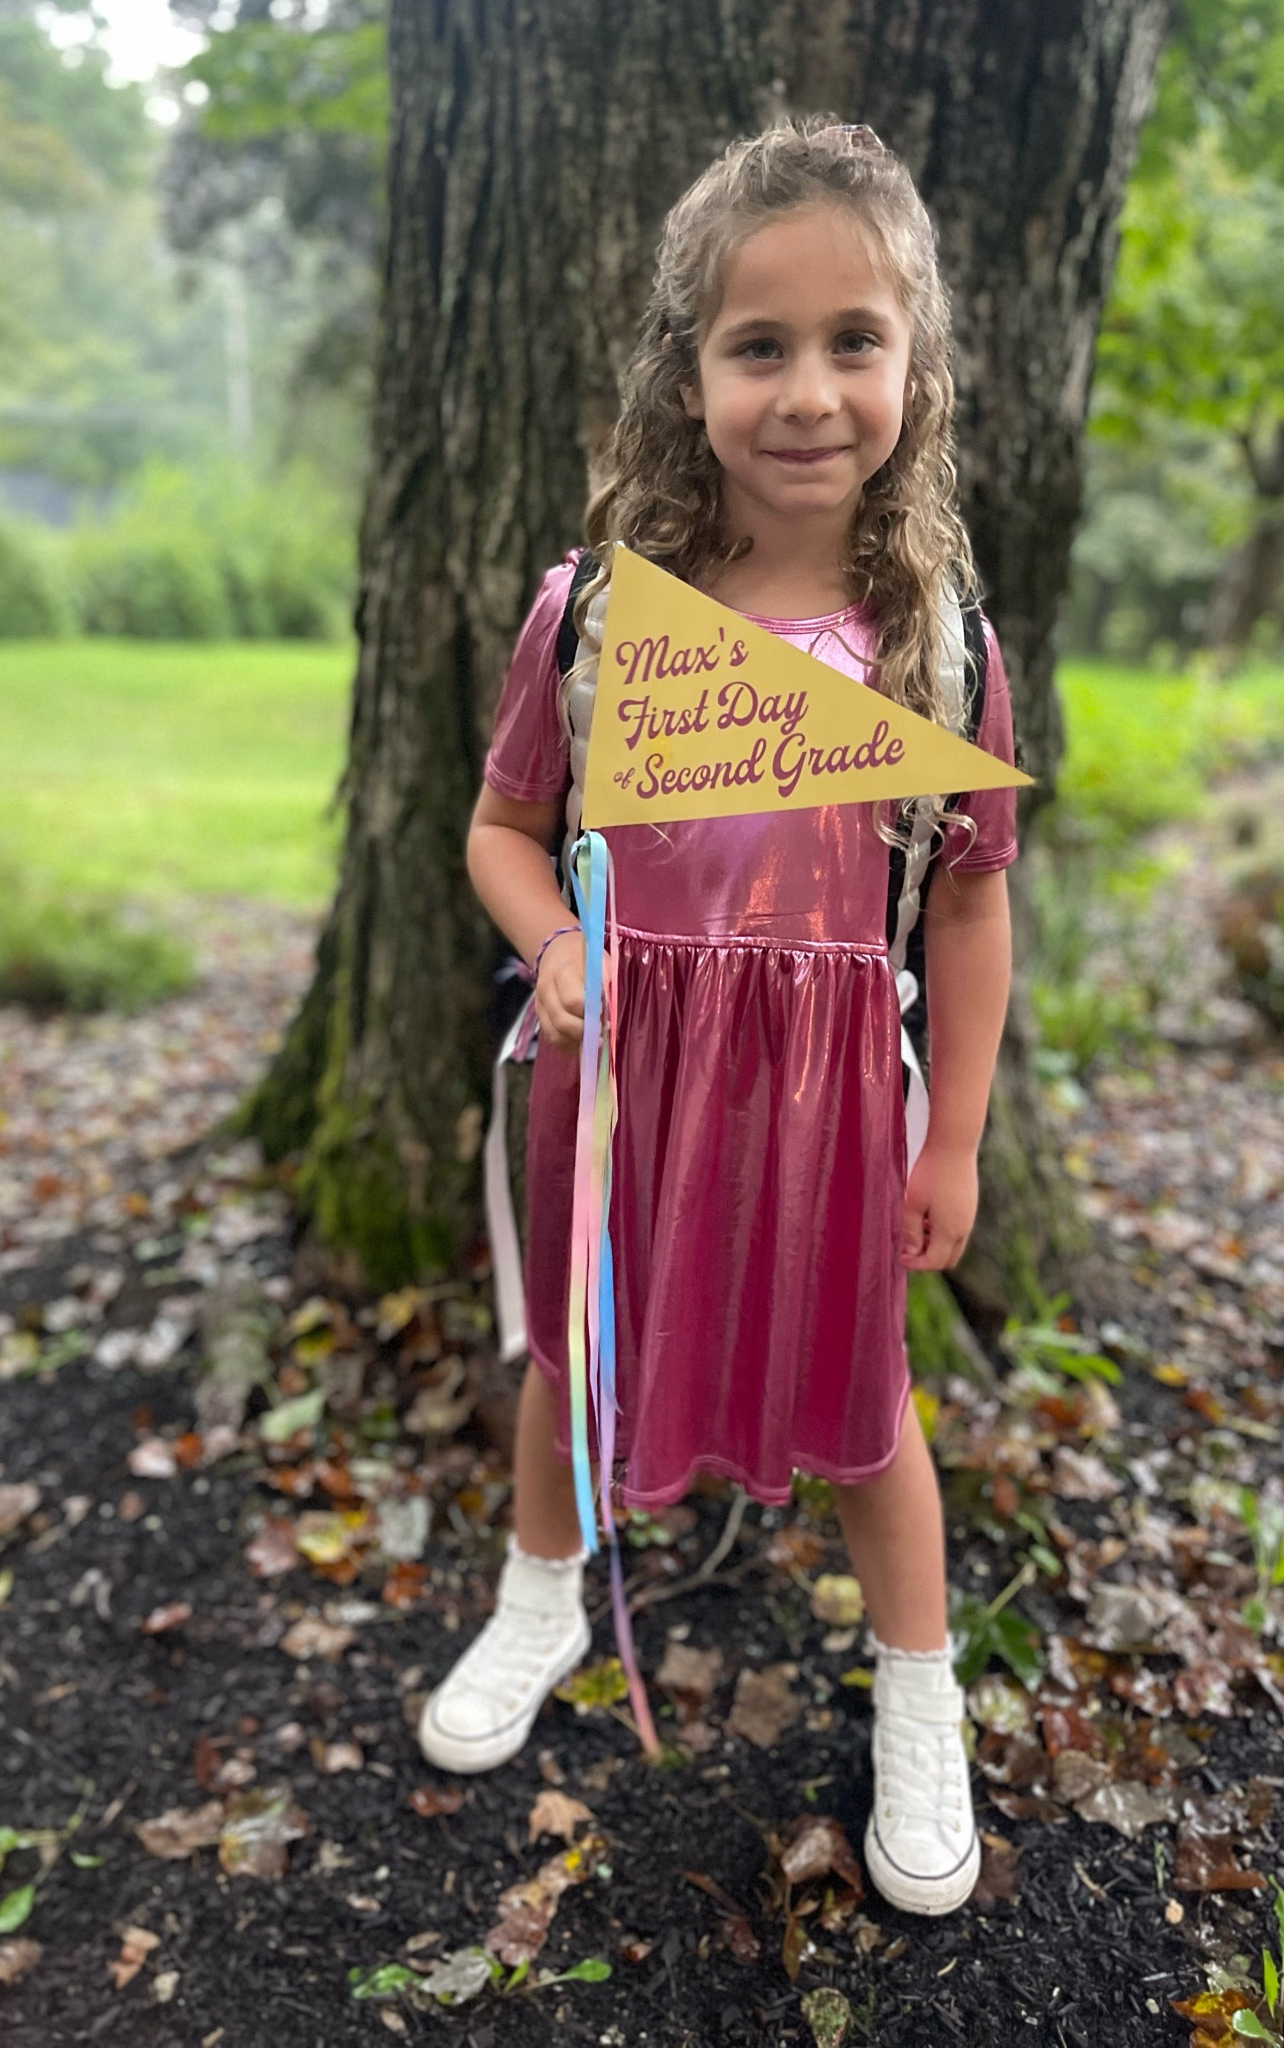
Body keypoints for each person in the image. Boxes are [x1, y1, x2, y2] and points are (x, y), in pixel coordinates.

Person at [419, 118, 1017, 1919]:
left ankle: (921, 1694)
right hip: (618, 1090)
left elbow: (975, 901)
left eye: (856, 340)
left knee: (864, 1402)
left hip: (833, 1099)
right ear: (691, 376)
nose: (810, 390)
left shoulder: (941, 641)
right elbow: (498, 832)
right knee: (572, 1364)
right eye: (760, 345)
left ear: (915, 364)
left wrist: (959, 1133)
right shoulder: (596, 618)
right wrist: (559, 951)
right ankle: (539, 1600)